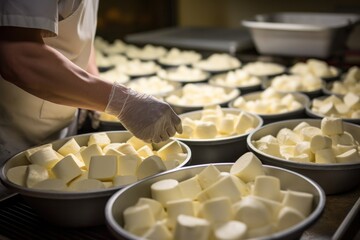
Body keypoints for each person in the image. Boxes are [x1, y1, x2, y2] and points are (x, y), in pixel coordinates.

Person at [0, 0, 182, 163]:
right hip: (13, 139)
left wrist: (93, 88)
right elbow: (17, 54)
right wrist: (120, 101)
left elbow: (76, 36)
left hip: (60, 138)